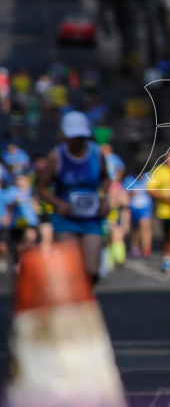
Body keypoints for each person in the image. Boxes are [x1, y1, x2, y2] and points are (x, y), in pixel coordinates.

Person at [35, 111, 110, 284]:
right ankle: (76, 303)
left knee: (92, 269)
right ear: (64, 136)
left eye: (80, 137)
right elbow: (41, 188)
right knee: (71, 268)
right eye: (73, 137)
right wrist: (58, 202)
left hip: (92, 219)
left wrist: (105, 199)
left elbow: (105, 178)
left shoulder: (96, 154)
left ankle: (84, 295)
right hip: (66, 220)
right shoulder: (56, 156)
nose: (77, 141)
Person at [148, 149, 170, 277]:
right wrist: (164, 198)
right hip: (165, 211)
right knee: (167, 237)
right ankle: (167, 260)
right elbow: (150, 189)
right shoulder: (160, 171)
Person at [4, 173, 40, 267]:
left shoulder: (31, 190)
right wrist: (19, 196)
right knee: (19, 247)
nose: (21, 181)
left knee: (30, 240)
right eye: (19, 179)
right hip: (16, 224)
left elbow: (36, 207)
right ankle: (19, 266)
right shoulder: (12, 190)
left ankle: (29, 263)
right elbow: (9, 205)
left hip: (30, 222)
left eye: (23, 179)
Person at [125, 172, 154, 258]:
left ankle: (146, 247)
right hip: (133, 208)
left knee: (146, 225)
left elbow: (153, 189)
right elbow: (125, 192)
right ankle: (135, 246)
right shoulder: (129, 179)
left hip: (145, 207)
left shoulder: (148, 178)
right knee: (135, 228)